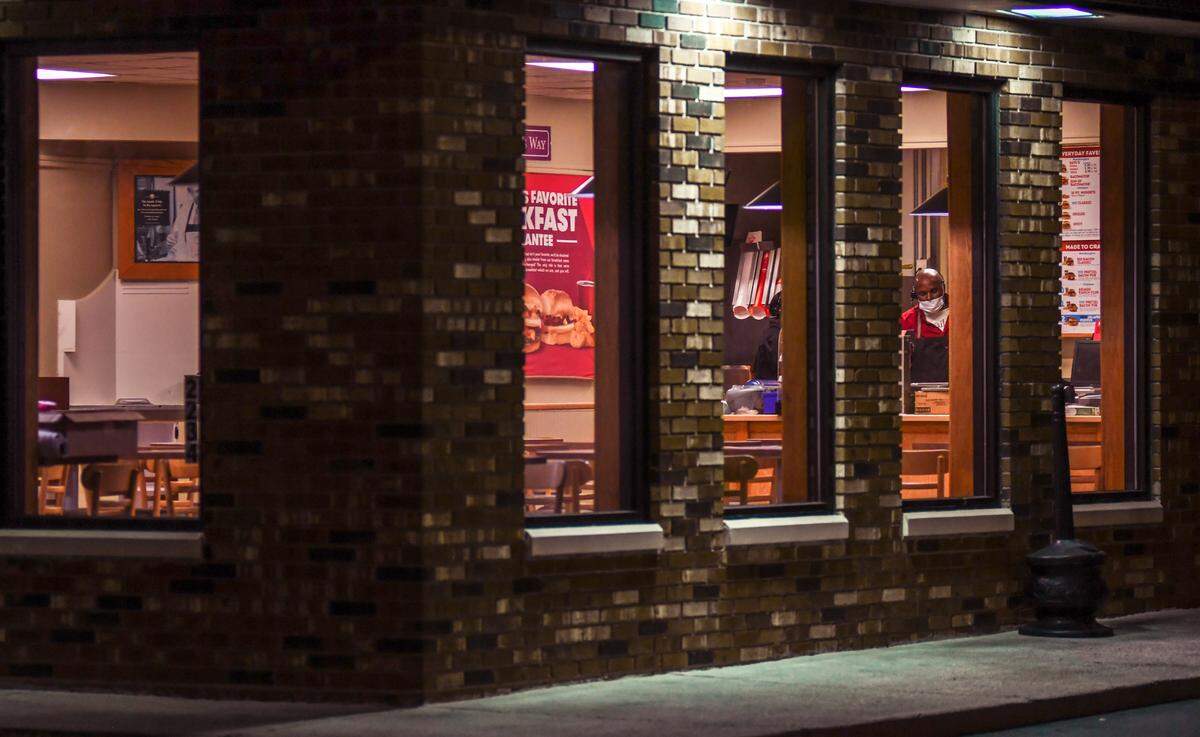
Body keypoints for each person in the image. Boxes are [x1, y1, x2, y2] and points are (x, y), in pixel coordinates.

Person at [900, 268, 949, 383]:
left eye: (934, 291)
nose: (929, 298)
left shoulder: (962, 315)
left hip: (958, 389)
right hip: (921, 393)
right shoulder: (907, 320)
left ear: (943, 288)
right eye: (922, 294)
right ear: (915, 295)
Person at [164, 164, 199, 262]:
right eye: (198, 191)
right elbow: (175, 237)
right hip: (187, 265)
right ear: (190, 192)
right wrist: (171, 240)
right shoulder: (185, 210)